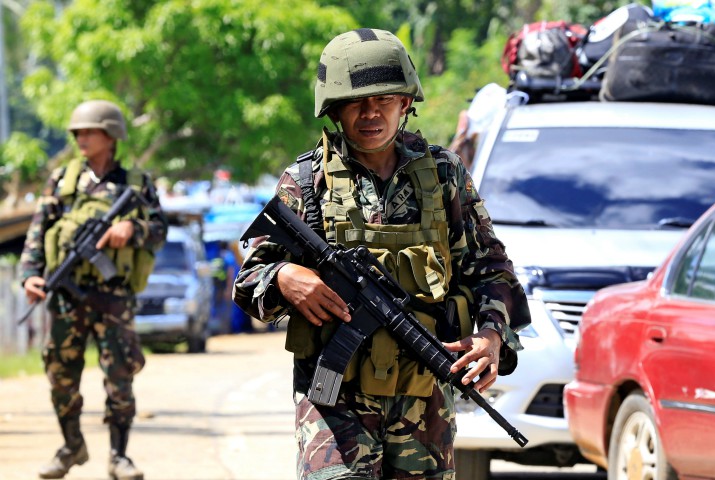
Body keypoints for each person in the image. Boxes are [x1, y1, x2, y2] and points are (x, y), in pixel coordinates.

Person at [233, 28, 530, 480]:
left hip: (424, 400)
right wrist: (284, 278)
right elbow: (249, 279)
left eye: (385, 100)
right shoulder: (306, 181)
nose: (371, 113)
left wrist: (491, 337)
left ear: (406, 103)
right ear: (334, 109)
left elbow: (492, 270)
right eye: (356, 102)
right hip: (334, 407)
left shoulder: (444, 174)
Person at [20, 99, 168, 480]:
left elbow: (160, 229)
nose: (81, 139)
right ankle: (71, 446)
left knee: (120, 375)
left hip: (113, 295)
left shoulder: (135, 183)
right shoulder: (63, 180)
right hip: (68, 294)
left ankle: (119, 456)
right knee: (60, 374)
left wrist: (131, 230)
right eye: (77, 133)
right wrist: (30, 275)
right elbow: (39, 230)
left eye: (89, 132)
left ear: (111, 135)